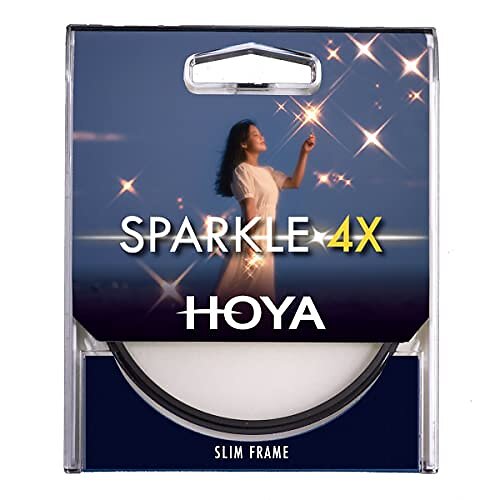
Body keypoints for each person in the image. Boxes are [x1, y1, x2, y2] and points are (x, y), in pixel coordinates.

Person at [215, 119, 316, 302]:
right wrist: (251, 244)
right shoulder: (242, 170)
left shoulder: (268, 172)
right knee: (241, 291)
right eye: (255, 135)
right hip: (254, 236)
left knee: (260, 295)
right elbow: (249, 207)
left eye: (261, 134)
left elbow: (294, 183)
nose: (262, 137)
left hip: (266, 238)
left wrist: (304, 153)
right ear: (243, 143)